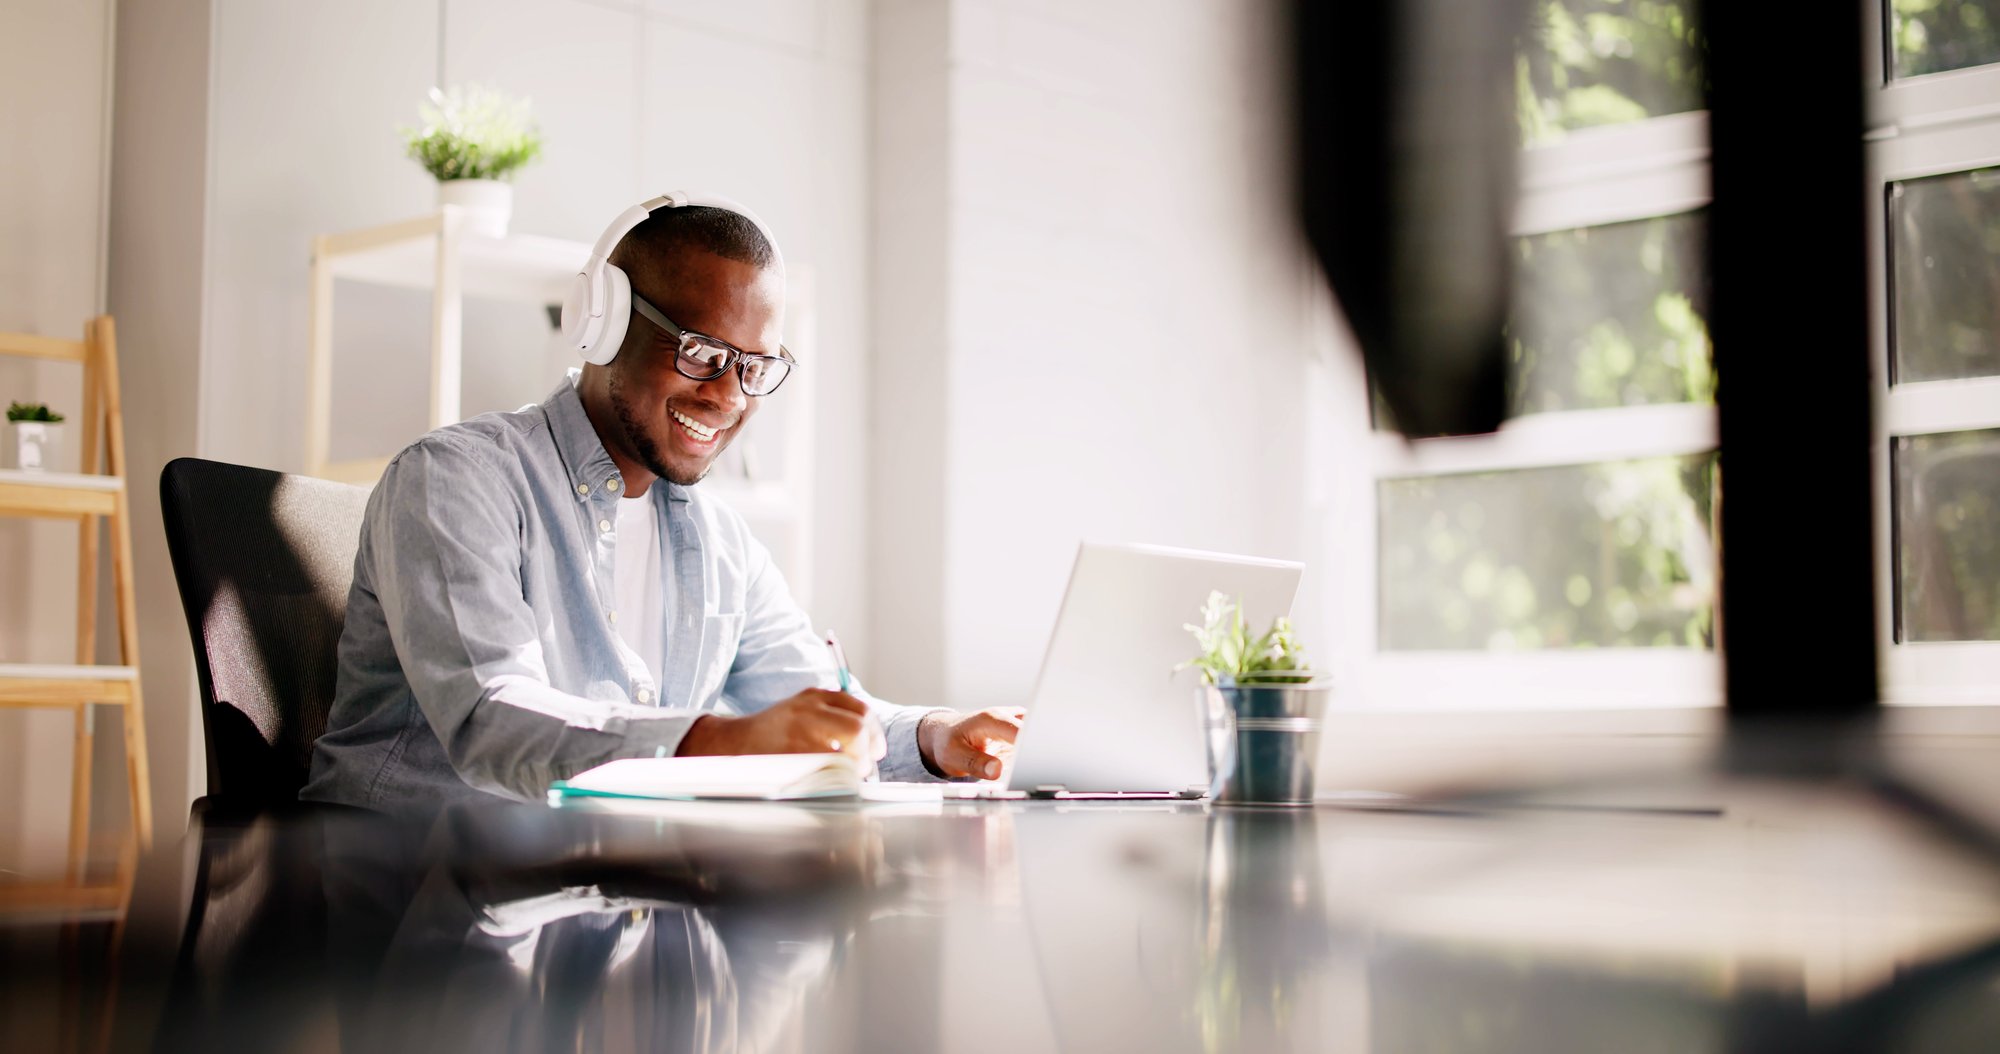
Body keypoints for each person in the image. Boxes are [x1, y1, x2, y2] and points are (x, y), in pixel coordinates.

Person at [302, 194, 1020, 811]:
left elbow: (823, 707)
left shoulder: (722, 544)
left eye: (755, 367)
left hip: (594, 892)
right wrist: (718, 742)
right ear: (605, 324)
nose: (730, 397)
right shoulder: (455, 482)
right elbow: (492, 718)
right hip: (411, 894)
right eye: (702, 353)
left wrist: (936, 739)